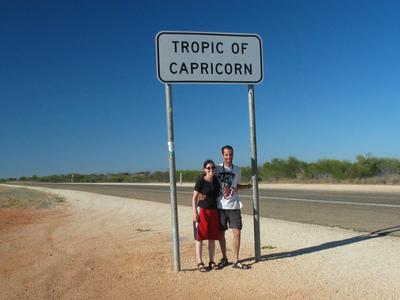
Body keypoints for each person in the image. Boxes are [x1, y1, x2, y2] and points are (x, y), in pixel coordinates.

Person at [215, 145, 252, 269]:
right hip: (220, 206)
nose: (228, 157)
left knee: (237, 232)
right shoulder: (217, 169)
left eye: (230, 154)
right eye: (226, 154)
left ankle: (235, 260)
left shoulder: (237, 170)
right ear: (222, 155)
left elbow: (236, 186)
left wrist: (247, 186)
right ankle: (224, 258)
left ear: (233, 155)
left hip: (234, 205)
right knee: (221, 233)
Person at [192, 159, 221, 272]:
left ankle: (211, 260)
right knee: (200, 238)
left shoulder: (216, 181)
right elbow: (194, 197)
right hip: (202, 211)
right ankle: (199, 262)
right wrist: (194, 212)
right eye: (208, 168)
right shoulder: (201, 181)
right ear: (204, 169)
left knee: (212, 237)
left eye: (213, 168)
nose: (211, 170)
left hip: (213, 211)